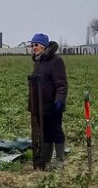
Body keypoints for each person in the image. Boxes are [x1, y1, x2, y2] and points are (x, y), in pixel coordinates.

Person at [28, 33, 68, 168]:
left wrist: (59, 100)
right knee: (44, 133)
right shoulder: (38, 61)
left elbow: (61, 84)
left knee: (55, 131)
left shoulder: (56, 61)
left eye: (36, 45)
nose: (34, 47)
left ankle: (60, 160)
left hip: (53, 105)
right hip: (40, 105)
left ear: (44, 46)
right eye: (32, 45)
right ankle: (46, 160)